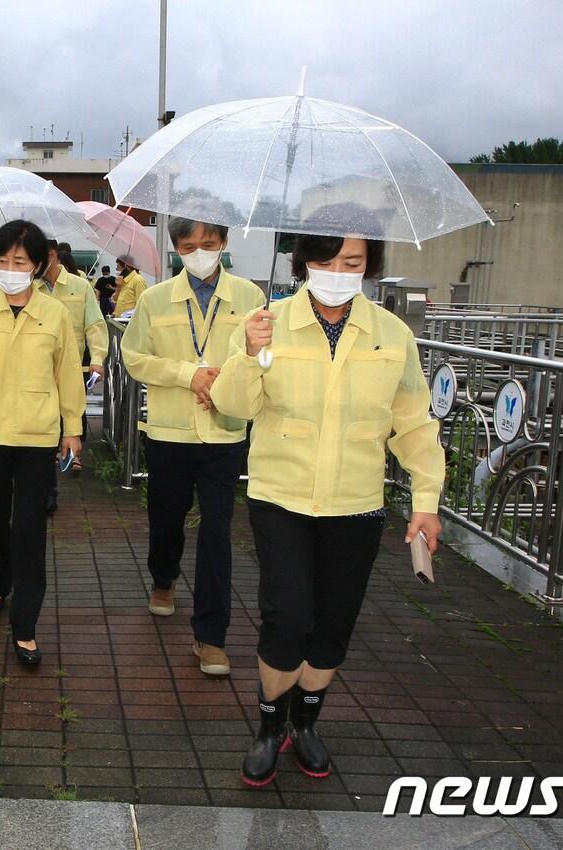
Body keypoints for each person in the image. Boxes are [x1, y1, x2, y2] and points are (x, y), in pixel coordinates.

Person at [210, 213, 444, 786]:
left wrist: (426, 499)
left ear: (370, 268)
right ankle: (270, 726)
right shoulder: (267, 323)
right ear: (302, 263)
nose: (337, 274)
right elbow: (230, 405)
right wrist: (247, 353)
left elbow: (414, 422)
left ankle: (306, 722)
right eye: (325, 262)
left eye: (352, 264)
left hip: (355, 502)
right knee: (287, 620)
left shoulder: (392, 335)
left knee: (332, 625)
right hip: (281, 497)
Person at [121, 217, 265, 678]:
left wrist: (227, 378)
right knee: (167, 516)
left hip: (224, 432)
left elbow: (265, 358)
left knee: (217, 531)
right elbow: (134, 356)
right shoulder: (154, 298)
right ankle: (163, 578)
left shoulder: (250, 298)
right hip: (170, 431)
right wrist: (190, 375)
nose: (199, 251)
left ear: (223, 242)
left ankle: (211, 637)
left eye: (208, 242)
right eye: (188, 245)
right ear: (176, 249)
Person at [0, 220, 86, 665]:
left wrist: (72, 428)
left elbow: (67, 373)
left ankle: (25, 626)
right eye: (2, 261)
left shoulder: (56, 314)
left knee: (28, 529)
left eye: (19, 261)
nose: (9, 268)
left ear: (39, 265)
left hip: (36, 436)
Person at [39, 241, 108, 496]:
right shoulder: (30, 288)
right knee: (45, 430)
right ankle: (47, 490)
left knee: (74, 414)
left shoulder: (80, 287)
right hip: (40, 373)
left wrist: (98, 358)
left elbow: (95, 325)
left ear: (53, 255)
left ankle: (72, 453)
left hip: (73, 369)